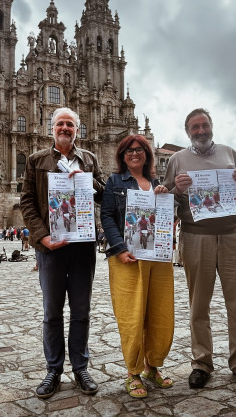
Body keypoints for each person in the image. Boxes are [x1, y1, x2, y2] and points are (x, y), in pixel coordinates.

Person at [162, 108, 236, 391]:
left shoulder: (231, 153)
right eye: (195, 127)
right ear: (188, 132)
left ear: (211, 127)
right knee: (199, 304)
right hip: (196, 237)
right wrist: (178, 191)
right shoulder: (177, 159)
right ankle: (201, 362)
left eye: (204, 125)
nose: (201, 131)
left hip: (233, 235)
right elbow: (166, 199)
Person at [21, 107, 104, 399]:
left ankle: (80, 366)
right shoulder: (36, 160)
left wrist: (87, 180)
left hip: (83, 247)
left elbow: (104, 195)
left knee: (81, 311)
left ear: (77, 130)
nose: (65, 128)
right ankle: (54, 369)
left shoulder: (90, 159)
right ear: (51, 129)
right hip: (51, 248)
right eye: (60, 124)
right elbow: (27, 202)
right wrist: (42, 237)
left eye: (70, 124)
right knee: (52, 312)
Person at [101, 134, 173, 398]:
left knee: (159, 313)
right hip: (127, 258)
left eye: (139, 149)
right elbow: (107, 216)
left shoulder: (157, 183)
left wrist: (165, 197)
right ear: (122, 155)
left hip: (158, 258)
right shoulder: (115, 182)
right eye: (129, 150)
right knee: (132, 315)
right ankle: (133, 372)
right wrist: (119, 249)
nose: (134, 153)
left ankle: (152, 367)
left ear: (147, 153)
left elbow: (164, 219)